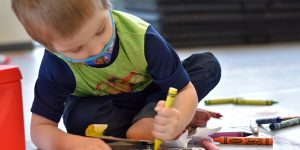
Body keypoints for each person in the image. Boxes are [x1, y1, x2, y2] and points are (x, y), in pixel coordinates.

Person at [12, 0, 221, 149]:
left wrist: (179, 116)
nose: (97, 48)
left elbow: (183, 89)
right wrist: (72, 143)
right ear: (51, 48)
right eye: (77, 49)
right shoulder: (57, 65)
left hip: (157, 92)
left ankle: (170, 117)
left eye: (100, 30)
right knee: (78, 121)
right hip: (109, 106)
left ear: (107, 4)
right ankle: (159, 119)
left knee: (207, 64)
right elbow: (40, 128)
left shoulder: (142, 38)